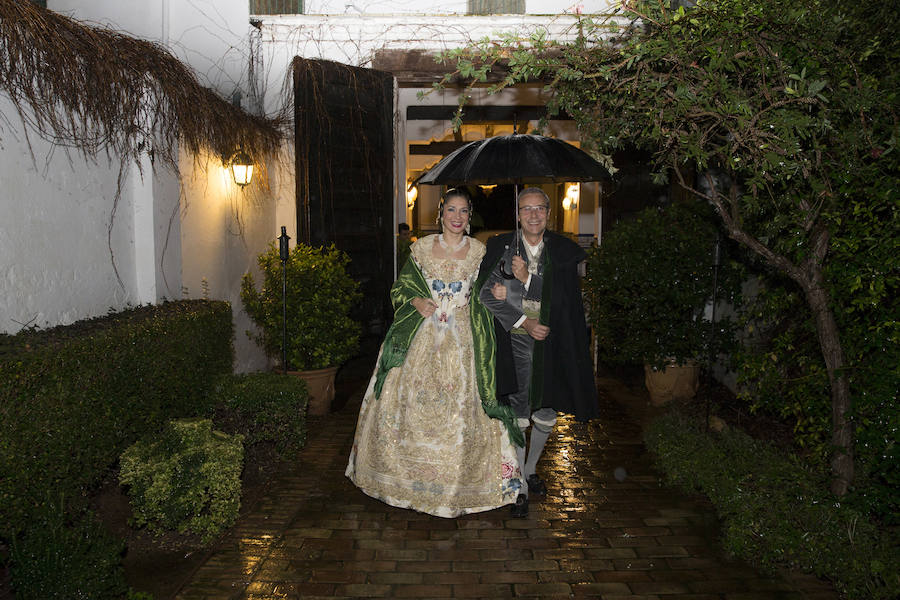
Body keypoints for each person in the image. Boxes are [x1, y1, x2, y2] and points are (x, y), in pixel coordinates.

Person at [347, 188, 523, 517]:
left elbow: (491, 293)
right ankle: (400, 480)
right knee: (407, 404)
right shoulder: (421, 248)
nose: (457, 217)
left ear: (470, 217)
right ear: (440, 214)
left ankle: (462, 484)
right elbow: (400, 288)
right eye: (451, 210)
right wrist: (416, 301)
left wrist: (501, 290)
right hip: (423, 335)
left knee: (462, 411)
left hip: (464, 341)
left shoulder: (480, 252)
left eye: (464, 212)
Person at [476, 187, 598, 517]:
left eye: (540, 209)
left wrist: (527, 278)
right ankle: (518, 484)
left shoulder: (562, 251)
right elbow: (485, 296)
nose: (533, 215)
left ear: (548, 213)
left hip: (552, 343)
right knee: (518, 409)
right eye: (526, 209)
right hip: (515, 342)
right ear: (517, 214)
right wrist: (522, 320)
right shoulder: (501, 246)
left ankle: (529, 468)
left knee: (546, 410)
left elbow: (562, 300)